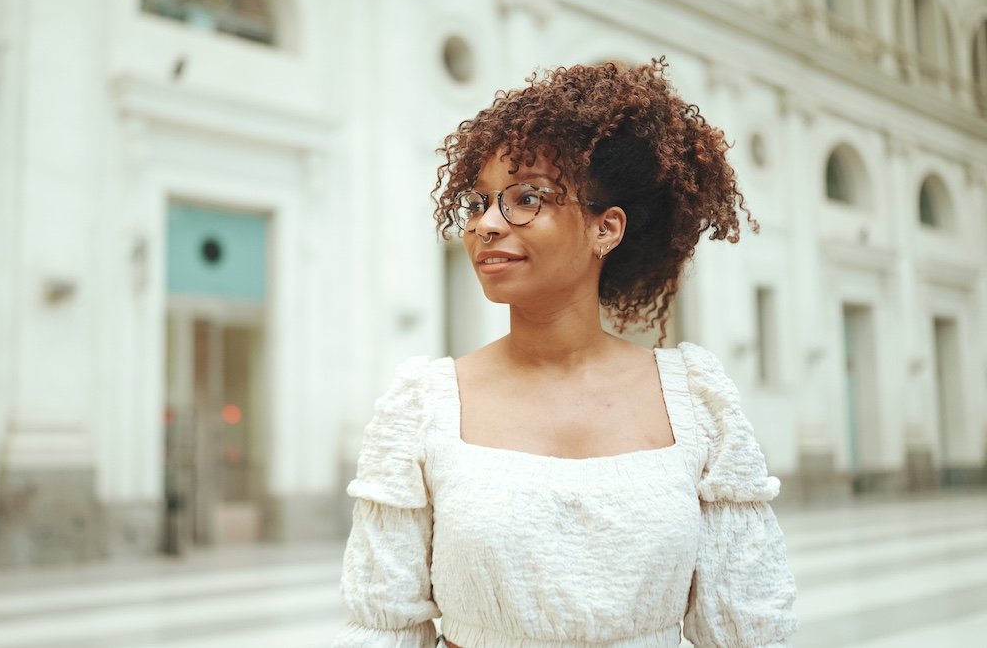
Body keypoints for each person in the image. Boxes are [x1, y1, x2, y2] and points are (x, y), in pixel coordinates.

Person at [333, 58, 798, 648]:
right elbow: (383, 629)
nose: (488, 225)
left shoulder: (695, 403)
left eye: (528, 198)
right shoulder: (424, 406)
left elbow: (747, 628)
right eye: (478, 204)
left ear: (607, 229)